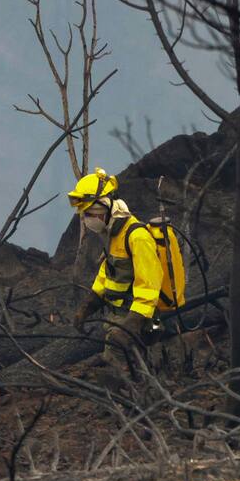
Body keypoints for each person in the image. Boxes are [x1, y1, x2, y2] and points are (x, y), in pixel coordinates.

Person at [67, 168, 163, 391]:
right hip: (116, 315)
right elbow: (107, 273)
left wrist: (132, 323)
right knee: (125, 363)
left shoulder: (137, 237)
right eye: (86, 214)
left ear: (108, 205)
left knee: (121, 366)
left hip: (135, 316)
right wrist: (88, 305)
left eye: (93, 212)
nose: (90, 219)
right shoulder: (112, 234)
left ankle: (131, 399)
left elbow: (149, 286)